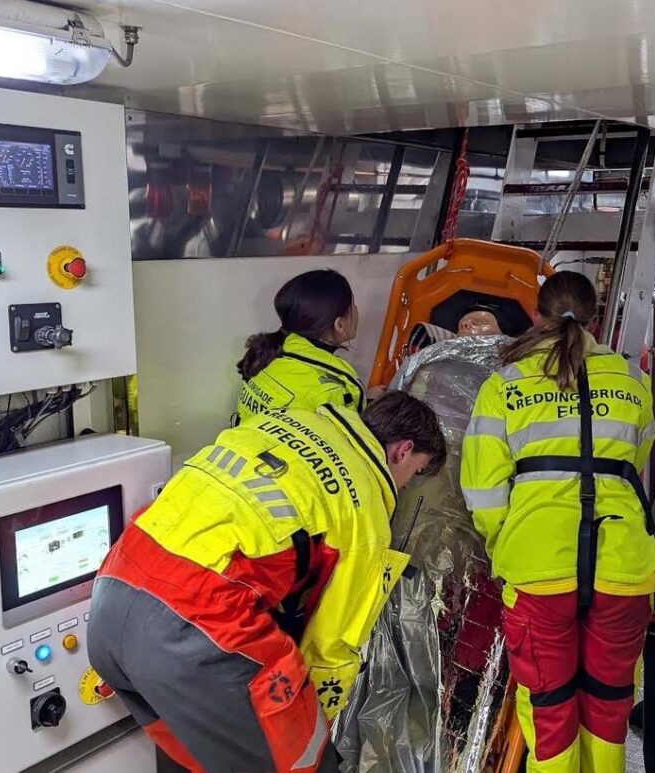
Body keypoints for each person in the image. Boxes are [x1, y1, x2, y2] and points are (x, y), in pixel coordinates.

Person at [88, 392, 446, 773]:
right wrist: (317, 728)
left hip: (111, 599)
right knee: (306, 760)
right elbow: (331, 650)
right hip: (197, 623)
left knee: (199, 759)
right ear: (403, 451)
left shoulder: (287, 421)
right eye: (416, 473)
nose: (406, 486)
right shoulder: (366, 514)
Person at [460, 271, 655, 773]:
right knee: (609, 701)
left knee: (549, 707)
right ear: (595, 318)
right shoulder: (634, 380)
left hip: (538, 566)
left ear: (536, 315)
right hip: (623, 563)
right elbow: (636, 463)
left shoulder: (505, 384)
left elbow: (483, 490)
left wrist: (507, 543)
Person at [236, 270, 364, 423]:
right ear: (340, 325)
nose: (357, 310)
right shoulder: (331, 392)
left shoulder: (271, 355)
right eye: (353, 305)